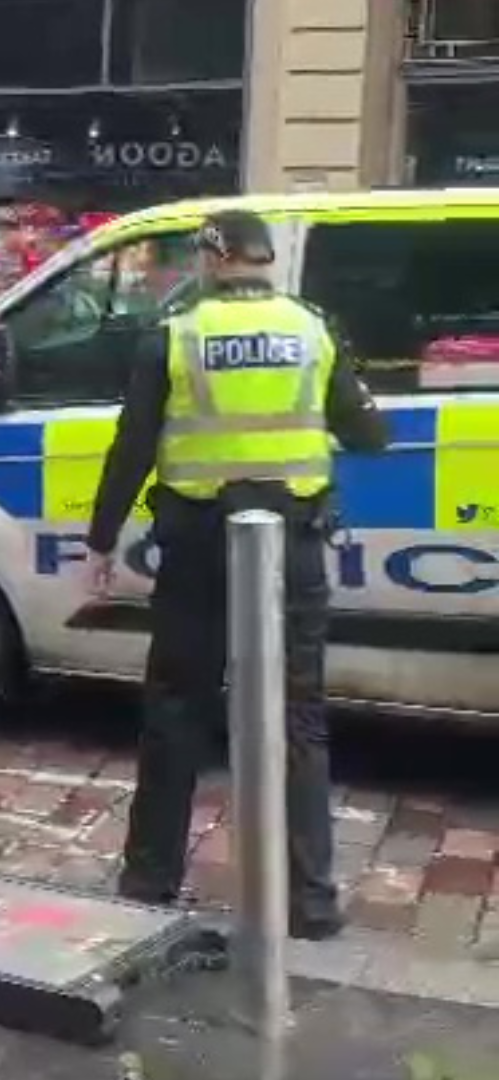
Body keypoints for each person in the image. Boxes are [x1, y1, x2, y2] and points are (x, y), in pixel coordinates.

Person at [81, 209, 389, 940]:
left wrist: (99, 542)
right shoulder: (312, 327)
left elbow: (133, 445)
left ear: (216, 258)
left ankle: (150, 880)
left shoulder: (179, 333)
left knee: (177, 710)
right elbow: (369, 432)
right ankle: (311, 902)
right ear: (265, 260)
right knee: (300, 715)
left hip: (197, 547)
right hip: (295, 545)